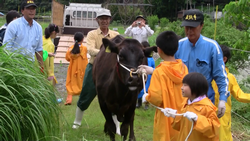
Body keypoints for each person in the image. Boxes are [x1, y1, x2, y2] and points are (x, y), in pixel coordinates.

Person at [174, 9, 229, 118]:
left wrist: (223, 99)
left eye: (193, 27)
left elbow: (221, 76)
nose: (189, 31)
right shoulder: (178, 46)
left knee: (203, 132)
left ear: (201, 25)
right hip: (182, 103)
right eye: (187, 27)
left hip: (204, 104)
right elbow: (170, 71)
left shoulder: (212, 47)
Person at [72, 9, 119, 129]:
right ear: (97, 20)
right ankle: (77, 122)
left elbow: (121, 50)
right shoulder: (92, 34)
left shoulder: (116, 35)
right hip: (94, 68)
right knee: (86, 94)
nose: (104, 21)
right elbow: (90, 50)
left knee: (113, 98)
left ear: (110, 20)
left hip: (111, 71)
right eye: (101, 18)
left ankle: (117, 126)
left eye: (106, 18)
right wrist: (109, 54)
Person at [140, 31, 188, 141]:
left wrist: (146, 97)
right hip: (181, 116)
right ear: (177, 49)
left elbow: (156, 98)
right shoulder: (184, 69)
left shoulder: (159, 72)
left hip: (165, 117)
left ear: (159, 50)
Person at [161, 72, 220, 141]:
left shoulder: (207, 107)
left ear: (195, 88)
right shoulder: (186, 103)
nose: (181, 88)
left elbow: (213, 129)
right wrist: (175, 114)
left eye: (185, 85)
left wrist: (197, 119)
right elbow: (182, 126)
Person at [212, 45, 250, 141]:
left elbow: (240, 95)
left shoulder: (230, 78)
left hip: (222, 116)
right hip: (207, 114)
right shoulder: (208, 74)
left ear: (224, 59)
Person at [3, 0, 43, 69]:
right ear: (22, 11)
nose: (31, 11)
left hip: (30, 68)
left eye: (33, 9)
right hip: (15, 67)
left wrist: (41, 68)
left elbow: (39, 50)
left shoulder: (38, 27)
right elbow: (6, 48)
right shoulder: (14, 25)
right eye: (28, 8)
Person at [65, 32, 88, 105]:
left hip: (73, 69)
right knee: (82, 82)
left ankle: (69, 99)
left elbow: (67, 58)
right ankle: (82, 98)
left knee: (70, 83)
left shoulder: (70, 49)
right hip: (82, 68)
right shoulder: (84, 49)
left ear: (74, 39)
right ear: (83, 39)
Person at [136, 41, 155, 110]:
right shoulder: (139, 57)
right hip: (141, 76)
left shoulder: (151, 59)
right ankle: (139, 103)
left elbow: (153, 67)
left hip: (148, 77)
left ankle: (146, 104)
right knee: (140, 90)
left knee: (147, 90)